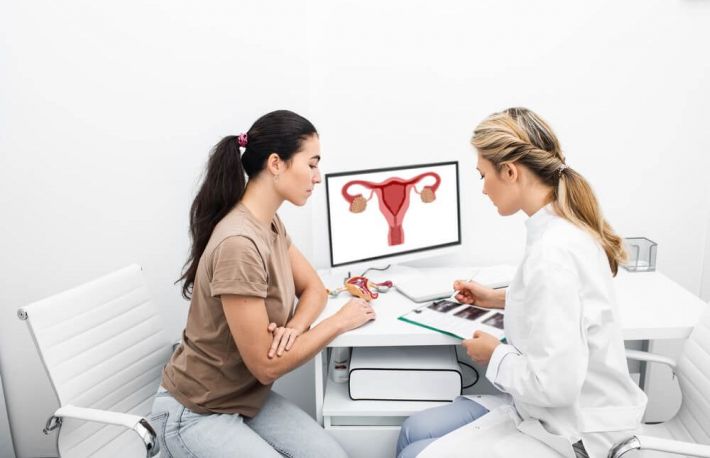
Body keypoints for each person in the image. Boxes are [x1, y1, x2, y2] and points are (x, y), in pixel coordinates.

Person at [396, 107, 647, 458]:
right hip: (553, 413)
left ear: (510, 171)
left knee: (414, 452)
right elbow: (557, 302)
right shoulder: (563, 230)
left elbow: (554, 386)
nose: (483, 189)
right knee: (413, 431)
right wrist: (495, 298)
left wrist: (493, 355)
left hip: (576, 435)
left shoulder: (552, 253)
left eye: (483, 175)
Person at [150, 110, 375, 457]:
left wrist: (294, 329)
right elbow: (266, 366)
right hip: (195, 412)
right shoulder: (239, 244)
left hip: (244, 398)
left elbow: (314, 288)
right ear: (275, 164)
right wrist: (339, 322)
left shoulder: (268, 222)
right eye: (311, 164)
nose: (317, 177)